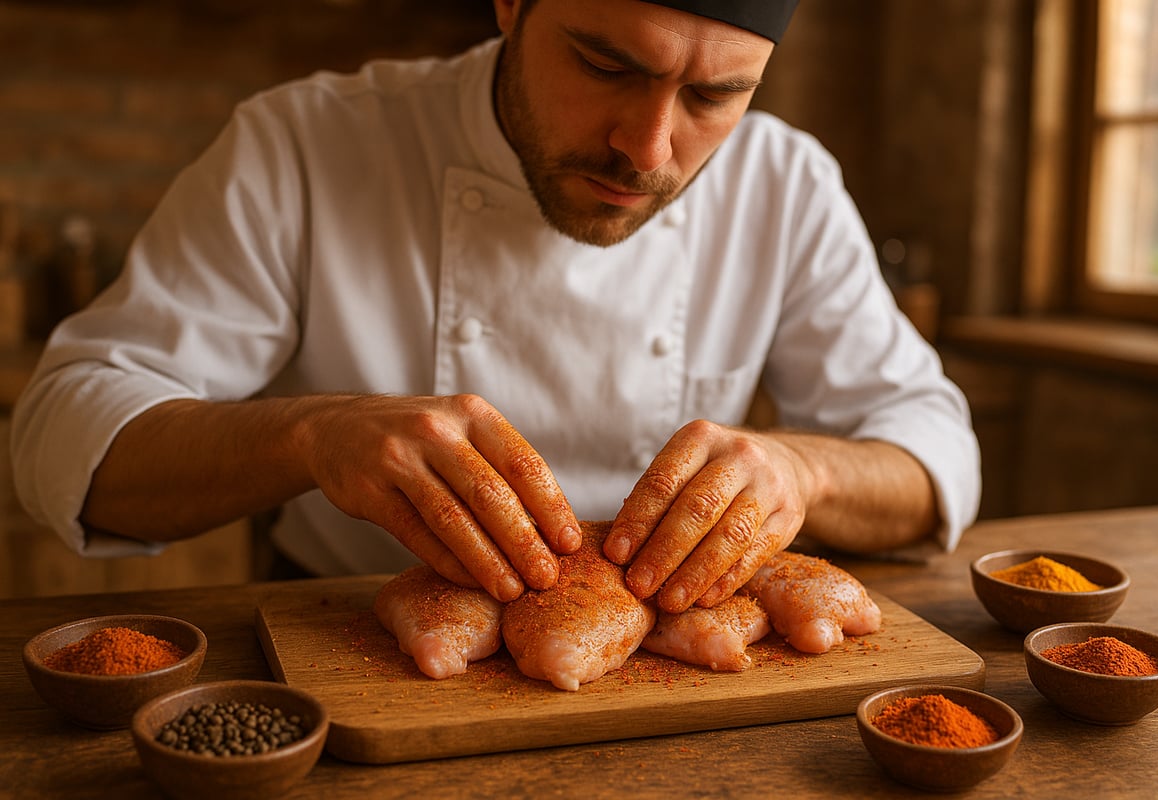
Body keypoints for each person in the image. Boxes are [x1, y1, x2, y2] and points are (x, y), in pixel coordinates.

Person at [10, 0, 980, 614]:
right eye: (605, 65)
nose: (648, 149)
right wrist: (311, 435)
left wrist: (803, 469)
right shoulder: (304, 146)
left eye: (714, 95)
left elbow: (937, 453)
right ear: (510, 2)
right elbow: (62, 434)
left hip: (668, 672)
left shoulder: (786, 186)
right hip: (362, 655)